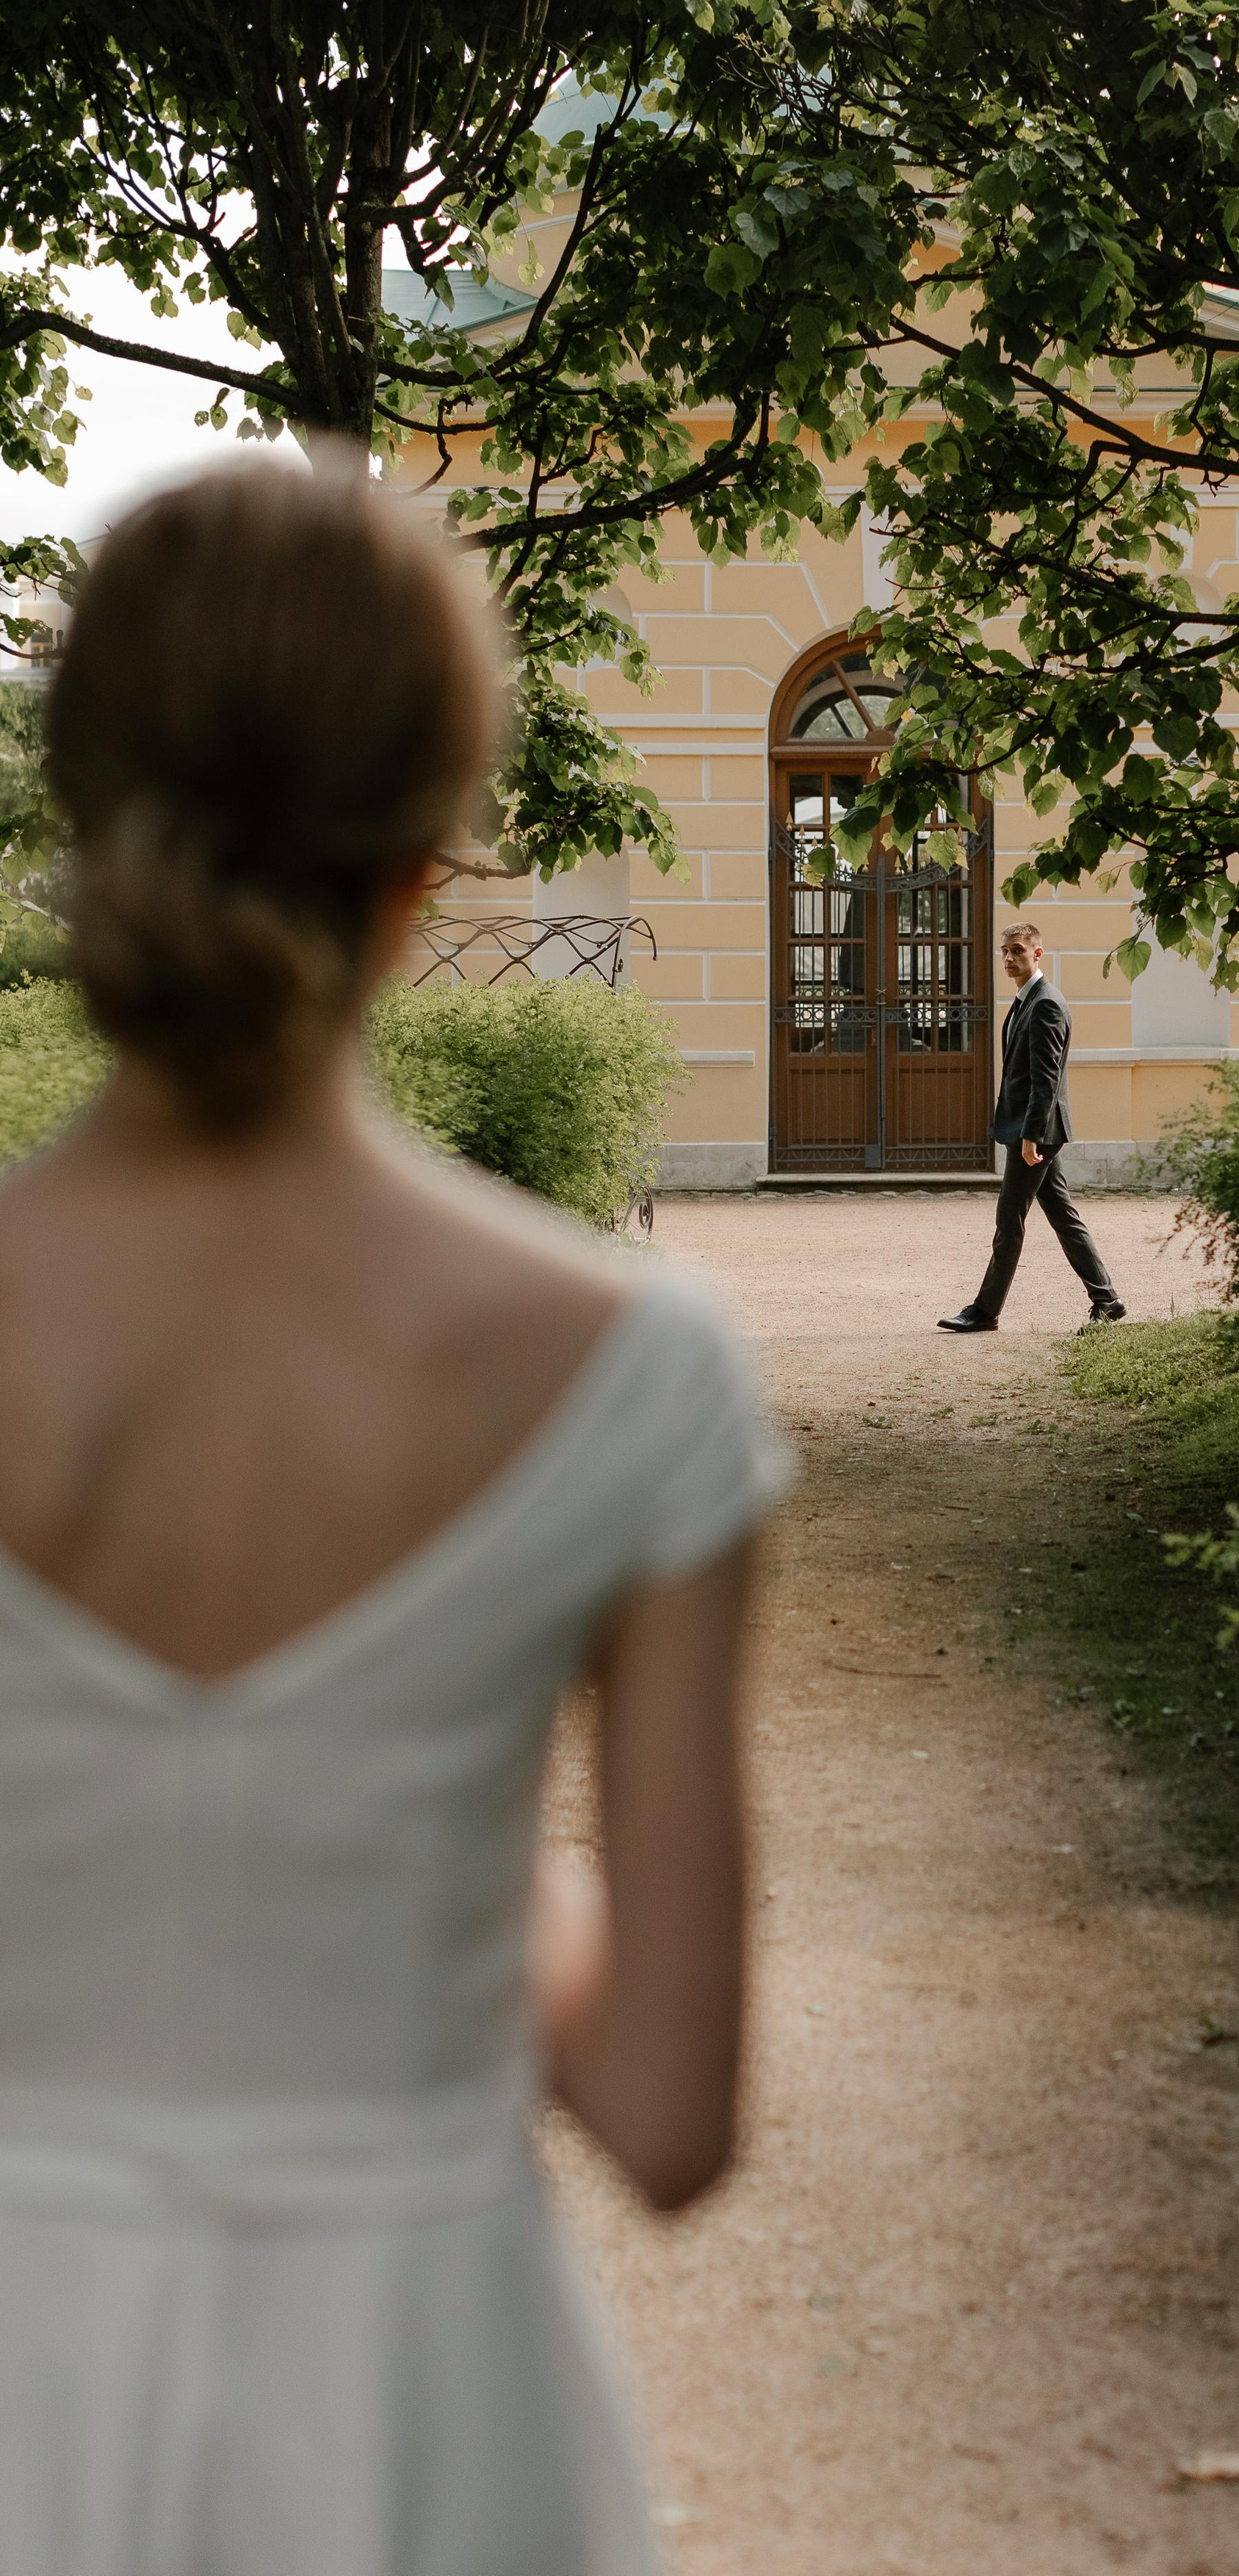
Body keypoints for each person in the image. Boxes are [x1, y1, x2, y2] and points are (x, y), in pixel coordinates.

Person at [0, 456, 790, 2576]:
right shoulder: (636, 1374)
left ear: (83, 815)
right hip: (428, 2426)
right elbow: (670, 2110)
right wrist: (441, 1893)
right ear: (431, 866)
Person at [937, 920, 1127, 1334]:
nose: (1009, 958)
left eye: (1018, 951)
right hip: (1032, 1130)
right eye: (1005, 951)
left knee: (1010, 1219)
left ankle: (985, 1311)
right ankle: (1107, 1300)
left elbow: (1047, 1079)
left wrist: (1031, 1137)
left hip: (1036, 1133)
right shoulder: (1027, 1000)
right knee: (1064, 1217)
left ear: (1037, 953)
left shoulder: (1046, 1004)